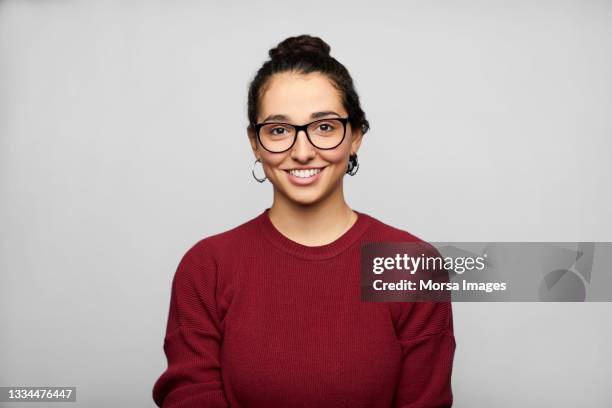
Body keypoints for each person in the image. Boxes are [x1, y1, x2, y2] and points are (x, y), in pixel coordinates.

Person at [152, 34, 456, 408]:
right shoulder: (206, 267)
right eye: (279, 130)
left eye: (324, 127)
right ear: (255, 142)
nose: (302, 151)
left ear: (355, 136)